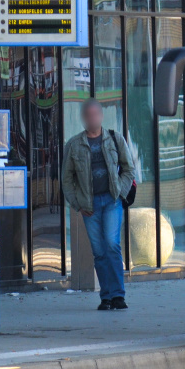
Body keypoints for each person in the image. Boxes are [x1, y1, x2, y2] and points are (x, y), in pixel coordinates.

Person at [62, 99, 135, 311]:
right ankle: (106, 297)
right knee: (99, 251)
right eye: (88, 115)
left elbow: (129, 169)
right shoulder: (74, 145)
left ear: (101, 116)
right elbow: (66, 179)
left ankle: (118, 295)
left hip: (111, 201)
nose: (92, 119)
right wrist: (76, 204)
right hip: (89, 205)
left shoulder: (114, 138)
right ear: (83, 118)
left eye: (95, 114)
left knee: (112, 245)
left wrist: (119, 193)